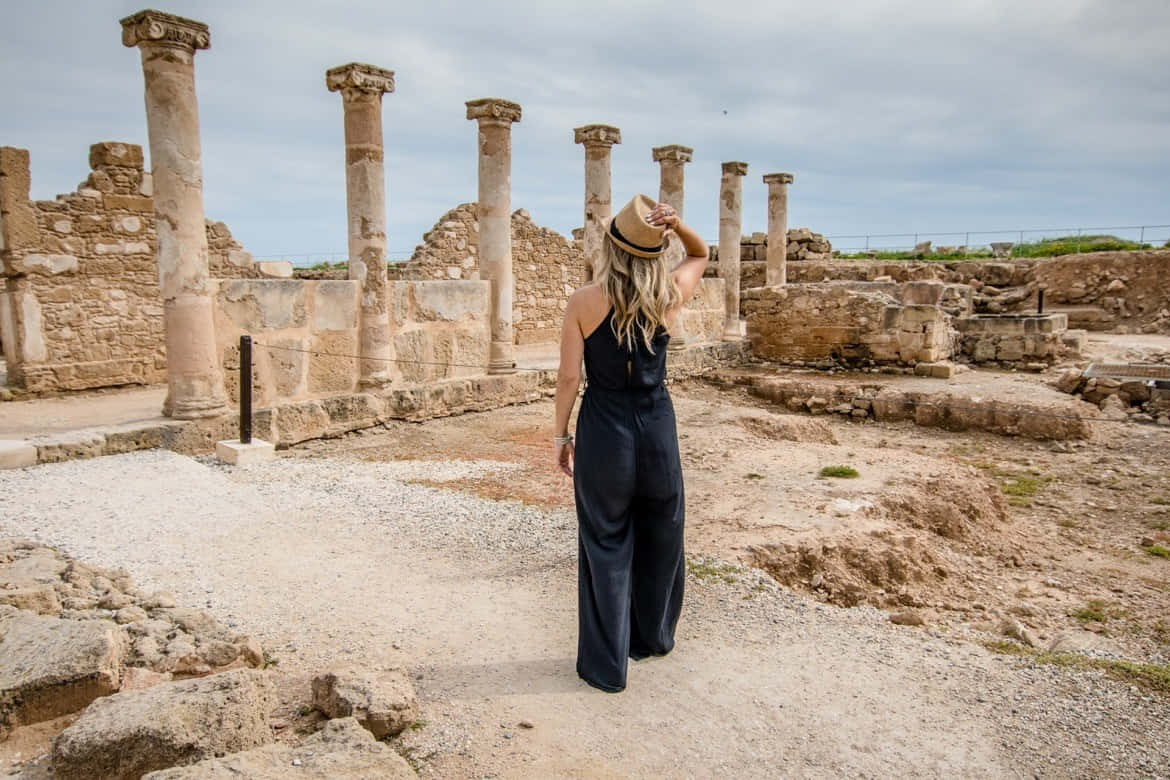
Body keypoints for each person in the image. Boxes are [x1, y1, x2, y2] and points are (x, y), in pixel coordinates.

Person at [553, 193, 710, 692]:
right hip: (656, 423)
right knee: (663, 528)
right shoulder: (668, 294)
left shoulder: (584, 300)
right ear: (653, 252)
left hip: (605, 426)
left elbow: (568, 377)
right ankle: (652, 637)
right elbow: (701, 254)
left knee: (605, 537)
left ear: (611, 247)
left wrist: (561, 435)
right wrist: (678, 226)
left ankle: (606, 665)